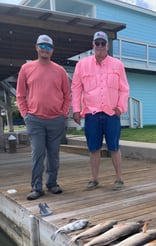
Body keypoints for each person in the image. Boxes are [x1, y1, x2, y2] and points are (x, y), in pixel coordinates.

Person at [71, 31, 129, 191]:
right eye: (97, 43)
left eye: (103, 43)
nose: (100, 46)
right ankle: (94, 179)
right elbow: (76, 88)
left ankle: (119, 179)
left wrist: (120, 107)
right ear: (93, 45)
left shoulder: (118, 65)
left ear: (107, 46)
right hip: (91, 114)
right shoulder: (81, 65)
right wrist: (76, 109)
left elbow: (124, 89)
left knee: (114, 147)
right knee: (93, 148)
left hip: (112, 114)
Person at [16, 34, 71, 200]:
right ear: (36, 47)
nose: (45, 49)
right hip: (35, 119)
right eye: (42, 46)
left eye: (48, 47)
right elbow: (20, 94)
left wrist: (63, 113)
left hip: (56, 119)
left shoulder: (60, 70)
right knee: (38, 153)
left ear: (52, 50)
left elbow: (67, 95)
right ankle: (36, 187)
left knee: (54, 154)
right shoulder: (26, 68)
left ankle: (52, 184)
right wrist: (25, 114)